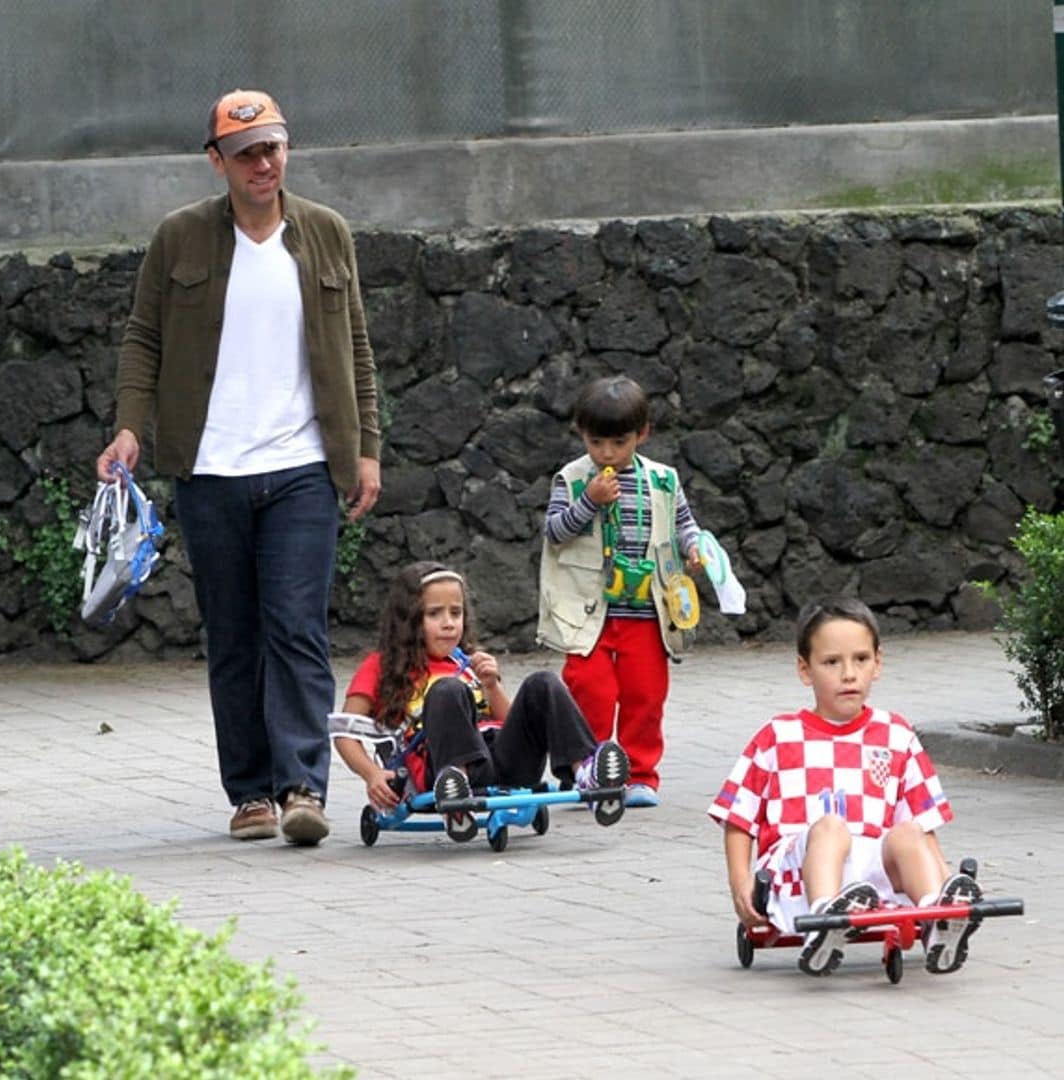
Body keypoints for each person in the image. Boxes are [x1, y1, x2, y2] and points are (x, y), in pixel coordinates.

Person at [95, 89, 381, 846]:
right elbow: (142, 340)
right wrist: (129, 428)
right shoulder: (179, 238)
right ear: (216, 160)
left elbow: (357, 347)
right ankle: (250, 792)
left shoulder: (325, 233)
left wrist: (368, 449)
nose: (264, 163)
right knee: (233, 634)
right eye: (247, 151)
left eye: (274, 147)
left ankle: (301, 788)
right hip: (210, 466)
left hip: (303, 464)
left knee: (297, 629)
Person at [708, 596, 983, 977]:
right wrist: (741, 887)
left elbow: (923, 827)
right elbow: (738, 819)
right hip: (799, 871)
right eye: (831, 662)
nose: (849, 674)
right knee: (831, 826)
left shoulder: (896, 735)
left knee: (906, 831)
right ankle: (825, 920)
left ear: (878, 663)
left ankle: (940, 919)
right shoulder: (779, 736)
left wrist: (941, 873)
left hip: (873, 875)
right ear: (805, 670)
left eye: (860, 659)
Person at [538, 375, 732, 808]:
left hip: (647, 608)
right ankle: (585, 770)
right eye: (596, 442)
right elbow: (554, 533)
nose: (607, 454)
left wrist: (695, 547)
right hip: (590, 611)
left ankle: (639, 774)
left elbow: (684, 526)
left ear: (642, 434)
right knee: (589, 689)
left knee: (645, 694)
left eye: (619, 443)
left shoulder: (663, 480)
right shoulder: (570, 480)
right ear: (581, 433)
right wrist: (589, 501)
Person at [334, 561, 630, 839]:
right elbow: (345, 733)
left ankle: (586, 773)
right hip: (437, 763)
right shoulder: (381, 666)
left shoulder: (467, 661)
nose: (449, 624)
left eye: (456, 613)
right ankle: (455, 789)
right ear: (408, 620)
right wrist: (371, 774)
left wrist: (491, 687)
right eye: (434, 614)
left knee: (543, 682)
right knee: (448, 690)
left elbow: (510, 720)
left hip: (500, 759)